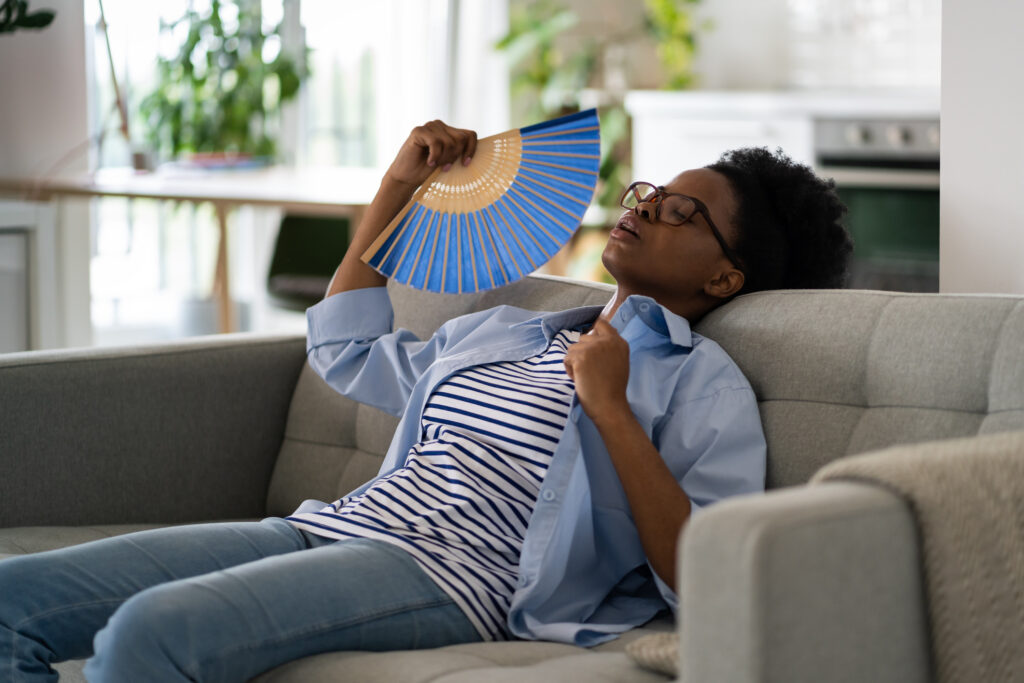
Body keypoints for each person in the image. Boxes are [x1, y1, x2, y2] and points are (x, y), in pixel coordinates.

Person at [0, 120, 852, 682]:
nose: (644, 210)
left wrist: (613, 410)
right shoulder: (516, 329)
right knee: (13, 603)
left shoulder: (701, 383)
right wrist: (398, 188)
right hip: (327, 526)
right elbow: (346, 346)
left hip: (448, 573)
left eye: (680, 212)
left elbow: (704, 571)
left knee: (150, 635)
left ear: (725, 275)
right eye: (647, 195)